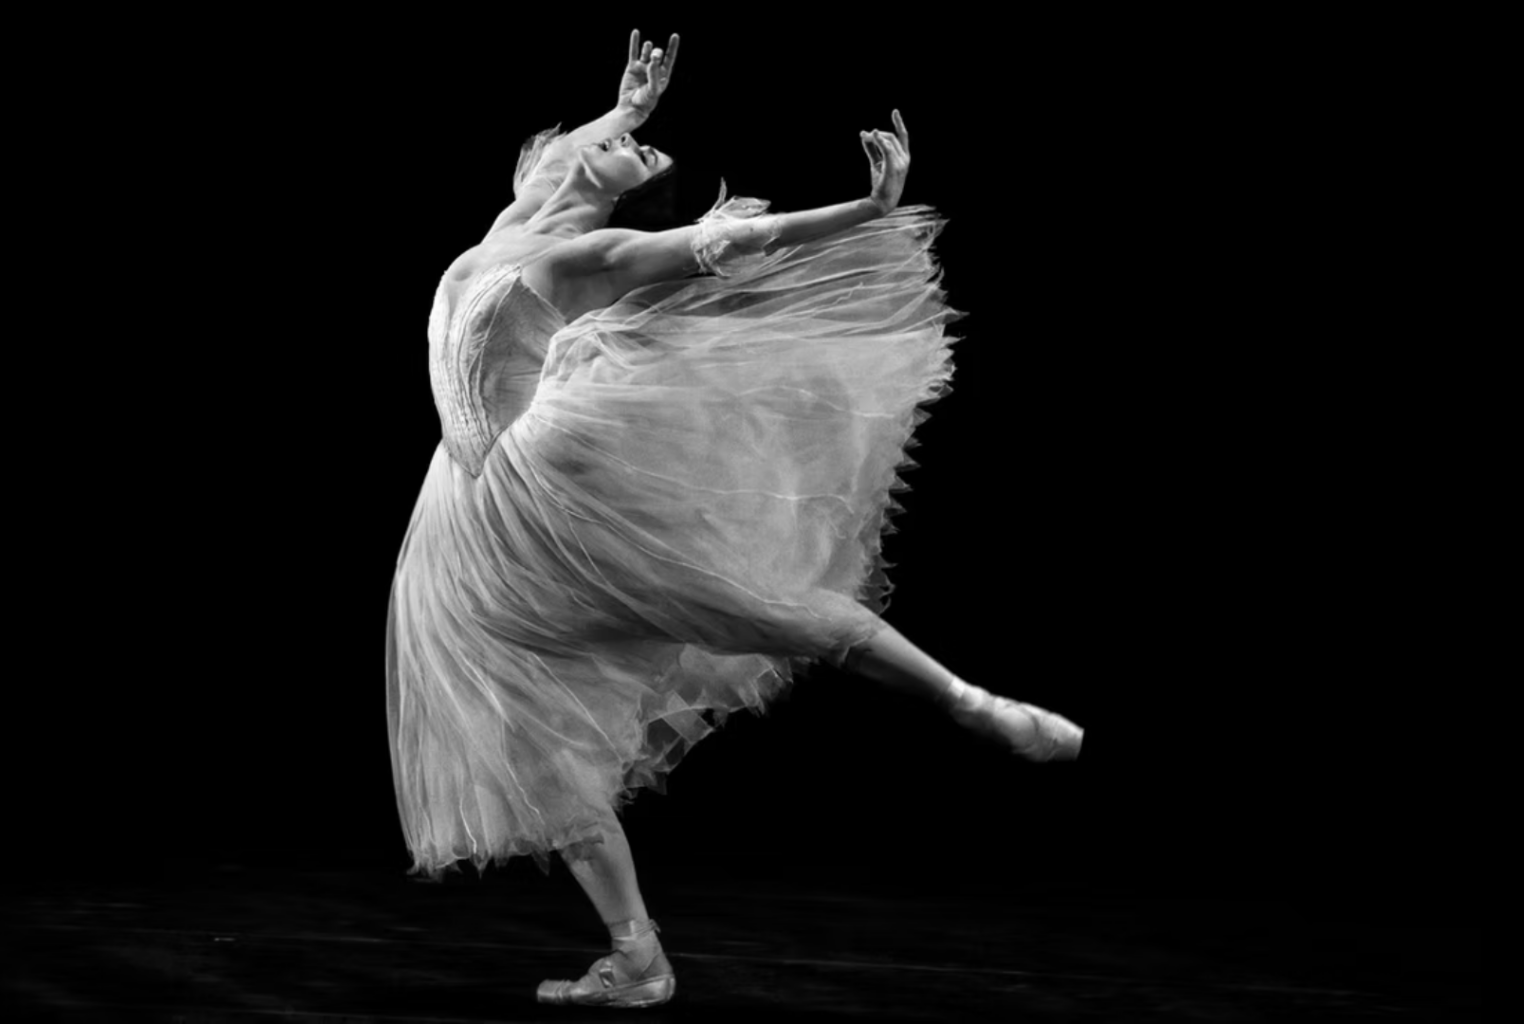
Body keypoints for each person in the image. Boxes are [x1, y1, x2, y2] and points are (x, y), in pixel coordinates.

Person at [386, 30, 1083, 1009]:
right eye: (633, 139)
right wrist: (626, 109)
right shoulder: (524, 217)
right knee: (547, 750)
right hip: (465, 512)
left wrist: (863, 210)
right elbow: (563, 160)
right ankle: (638, 959)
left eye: (643, 148)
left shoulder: (579, 258)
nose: (639, 139)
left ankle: (969, 700)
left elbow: (731, 242)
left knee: (752, 608)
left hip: (522, 504)